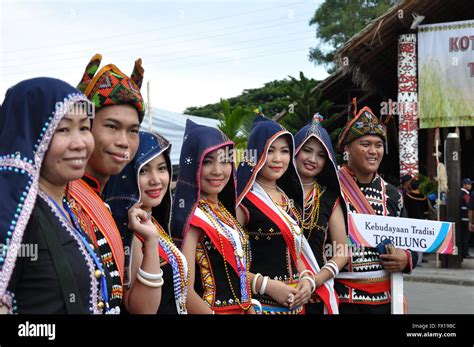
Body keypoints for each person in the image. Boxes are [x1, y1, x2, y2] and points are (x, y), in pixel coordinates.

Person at [0, 77, 115, 313]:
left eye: (84, 128)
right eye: (63, 129)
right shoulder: (13, 216)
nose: (80, 143)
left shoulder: (65, 207)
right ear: (29, 136)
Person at [66, 54, 147, 311]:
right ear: (85, 128)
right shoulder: (56, 197)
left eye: (133, 131)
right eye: (112, 127)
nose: (124, 141)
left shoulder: (105, 203)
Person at [236, 113, 338, 314]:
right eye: (270, 150)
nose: (277, 159)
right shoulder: (244, 201)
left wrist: (308, 278)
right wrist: (267, 285)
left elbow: (295, 252)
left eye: (284, 151)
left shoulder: (287, 198)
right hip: (259, 307)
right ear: (255, 154)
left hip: (295, 307)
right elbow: (228, 264)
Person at [335, 98, 418, 314]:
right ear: (348, 148)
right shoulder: (329, 190)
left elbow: (412, 237)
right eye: (365, 144)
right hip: (342, 301)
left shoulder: (392, 194)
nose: (373, 151)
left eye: (378, 145)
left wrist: (405, 258)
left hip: (385, 301)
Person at [171, 120, 254, 314]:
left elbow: (239, 276)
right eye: (207, 161)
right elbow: (185, 291)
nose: (217, 170)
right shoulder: (191, 219)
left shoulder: (224, 212)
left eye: (225, 161)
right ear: (193, 164)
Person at [106, 131, 188, 314]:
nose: (156, 180)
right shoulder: (129, 230)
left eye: (161, 168)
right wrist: (151, 242)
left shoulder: (151, 222)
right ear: (126, 174)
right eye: (143, 170)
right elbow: (142, 310)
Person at [294, 114, 348, 314]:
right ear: (295, 150)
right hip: (275, 292)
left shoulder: (329, 198)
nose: (312, 159)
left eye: (320, 155)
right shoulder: (274, 193)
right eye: (307, 150)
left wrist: (314, 281)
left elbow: (342, 252)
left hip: (316, 294)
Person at [404, 179, 431, 265]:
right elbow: (426, 211)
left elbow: (405, 210)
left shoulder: (407, 197)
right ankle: (419, 259)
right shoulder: (423, 197)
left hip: (410, 222)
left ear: (411, 186)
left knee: (411, 241)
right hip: (421, 221)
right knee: (420, 241)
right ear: (419, 186)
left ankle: (412, 258)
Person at [461, 178, 472, 259]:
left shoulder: (463, 193)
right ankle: (465, 253)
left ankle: (464, 252)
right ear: (464, 185)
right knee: (466, 236)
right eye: (469, 184)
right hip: (465, 218)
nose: (470, 186)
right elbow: (469, 205)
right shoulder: (465, 194)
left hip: (463, 218)